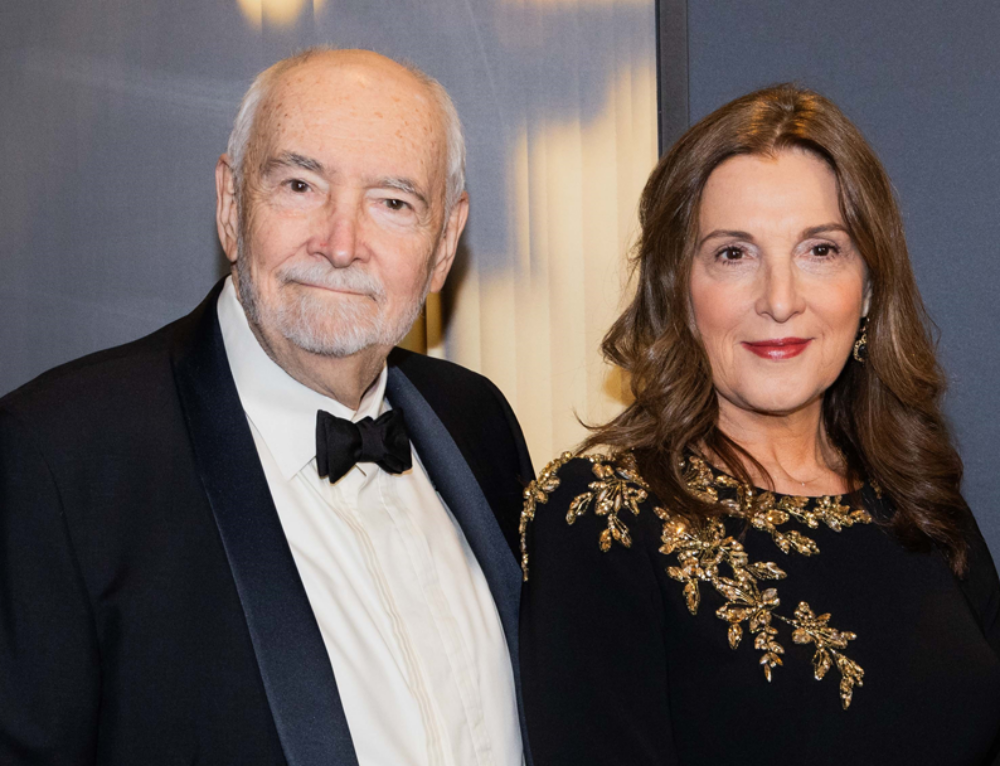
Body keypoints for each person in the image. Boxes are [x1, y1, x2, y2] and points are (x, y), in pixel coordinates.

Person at [0, 48, 533, 766]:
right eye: (300, 184)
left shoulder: (478, 422)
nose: (341, 244)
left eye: (393, 203)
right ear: (230, 205)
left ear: (443, 245)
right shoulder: (60, 459)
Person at [519, 84, 1000, 764]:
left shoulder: (913, 491)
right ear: (677, 289)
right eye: (733, 254)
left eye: (820, 250)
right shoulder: (603, 516)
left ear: (869, 286)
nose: (779, 300)